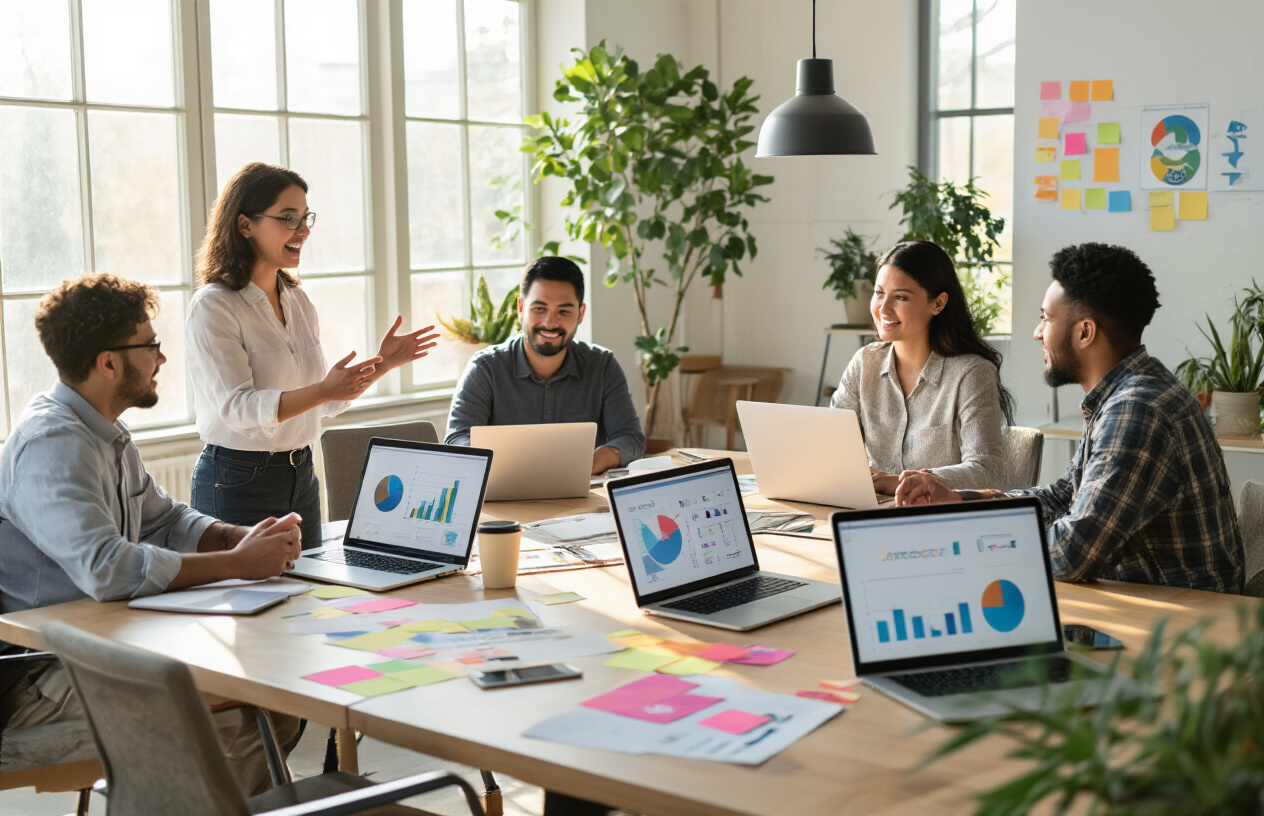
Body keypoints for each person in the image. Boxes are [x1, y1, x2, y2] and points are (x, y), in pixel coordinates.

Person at [0, 273, 302, 790]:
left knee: (273, 696)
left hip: (103, 641)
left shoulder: (105, 429)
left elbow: (163, 519)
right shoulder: (54, 443)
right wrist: (237, 565)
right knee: (249, 711)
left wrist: (236, 537)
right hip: (39, 679)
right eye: (151, 346)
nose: (162, 359)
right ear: (108, 362)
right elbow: (106, 569)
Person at [897, 242, 1243, 593]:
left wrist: (974, 542)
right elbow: (1064, 496)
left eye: (1046, 318)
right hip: (1144, 606)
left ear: (1084, 332)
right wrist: (963, 502)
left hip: (1183, 631)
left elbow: (1070, 555)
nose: (1037, 332)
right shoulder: (1122, 394)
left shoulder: (1137, 410)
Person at [186, 162, 438, 550]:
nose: (303, 231)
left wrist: (383, 364)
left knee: (310, 602)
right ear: (245, 225)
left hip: (301, 473)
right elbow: (237, 407)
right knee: (250, 606)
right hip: (237, 480)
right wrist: (322, 391)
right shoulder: (215, 307)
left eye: (306, 218)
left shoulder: (298, 300)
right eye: (289, 219)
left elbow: (323, 404)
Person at [831, 241, 1012, 494]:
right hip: (870, 512)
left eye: (901, 297)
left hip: (938, 521)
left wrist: (903, 482)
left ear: (938, 303)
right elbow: (831, 447)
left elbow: (987, 471)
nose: (883, 309)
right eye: (879, 293)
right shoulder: (864, 363)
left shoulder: (972, 373)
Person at [445, 256, 645, 474]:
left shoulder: (603, 366)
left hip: (582, 497)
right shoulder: (485, 368)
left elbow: (631, 439)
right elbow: (456, 440)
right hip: (505, 497)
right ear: (521, 307)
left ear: (580, 314)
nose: (550, 323)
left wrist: (594, 461)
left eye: (564, 311)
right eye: (539, 309)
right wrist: (506, 465)